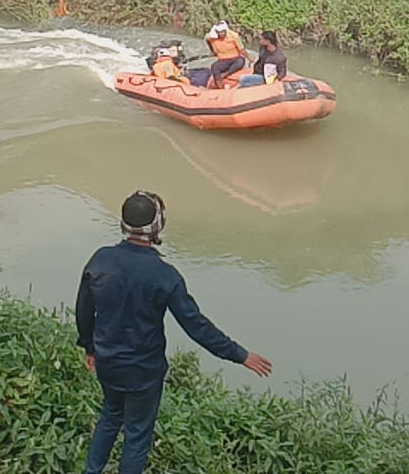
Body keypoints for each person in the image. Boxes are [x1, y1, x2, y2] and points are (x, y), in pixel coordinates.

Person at [76, 192, 273, 474]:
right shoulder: (164, 275)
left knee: (110, 416)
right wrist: (240, 355)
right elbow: (196, 326)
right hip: (144, 373)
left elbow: (83, 310)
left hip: (108, 363)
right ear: (157, 226)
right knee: (137, 436)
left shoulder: (100, 261)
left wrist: (89, 348)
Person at [204, 21, 252, 89]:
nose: (221, 34)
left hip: (235, 58)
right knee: (214, 67)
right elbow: (207, 40)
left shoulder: (234, 36)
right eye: (219, 32)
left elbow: (242, 49)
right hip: (223, 60)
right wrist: (213, 50)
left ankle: (225, 74)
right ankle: (219, 85)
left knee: (241, 61)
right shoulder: (211, 37)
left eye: (223, 32)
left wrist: (251, 59)